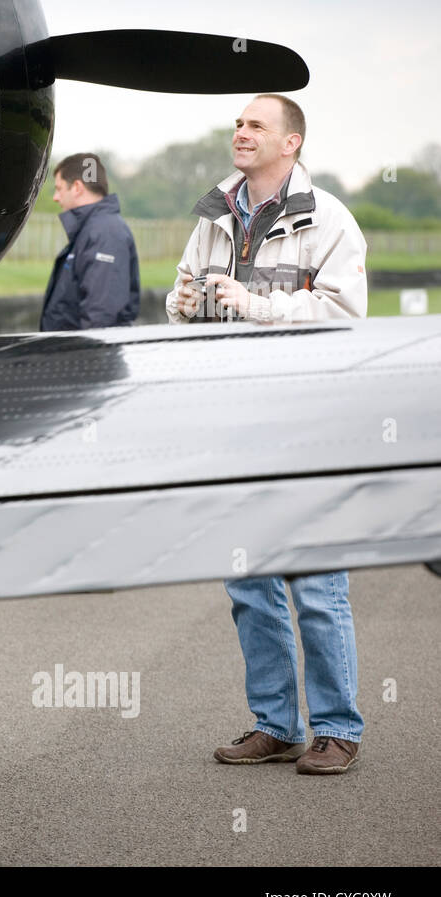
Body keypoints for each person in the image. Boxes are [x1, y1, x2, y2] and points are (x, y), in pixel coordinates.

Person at [167, 94, 368, 773]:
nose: (241, 131)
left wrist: (257, 306)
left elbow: (344, 314)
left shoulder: (331, 219)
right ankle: (276, 724)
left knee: (315, 582)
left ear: (291, 144)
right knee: (249, 582)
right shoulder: (213, 216)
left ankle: (337, 728)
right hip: (234, 422)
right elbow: (183, 296)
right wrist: (183, 305)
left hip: (310, 424)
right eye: (238, 123)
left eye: (256, 124)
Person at [40, 153, 140, 332]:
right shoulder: (92, 231)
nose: (55, 197)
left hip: (83, 358)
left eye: (59, 188)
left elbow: (101, 318)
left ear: (77, 187)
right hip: (69, 357)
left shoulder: (105, 233)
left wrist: (84, 360)